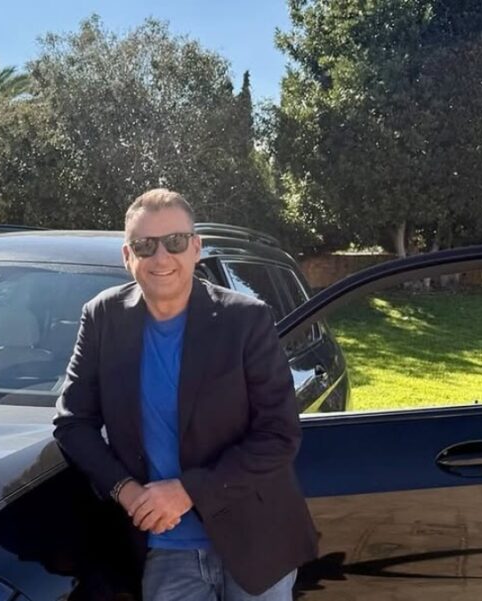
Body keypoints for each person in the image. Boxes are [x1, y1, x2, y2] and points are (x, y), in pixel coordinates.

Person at [53, 189, 317, 601]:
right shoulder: (102, 317)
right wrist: (125, 490)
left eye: (175, 242)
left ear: (196, 248)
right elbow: (73, 423)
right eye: (145, 245)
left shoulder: (245, 320)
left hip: (256, 540)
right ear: (127, 256)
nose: (161, 258)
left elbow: (279, 434)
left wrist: (188, 490)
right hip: (163, 549)